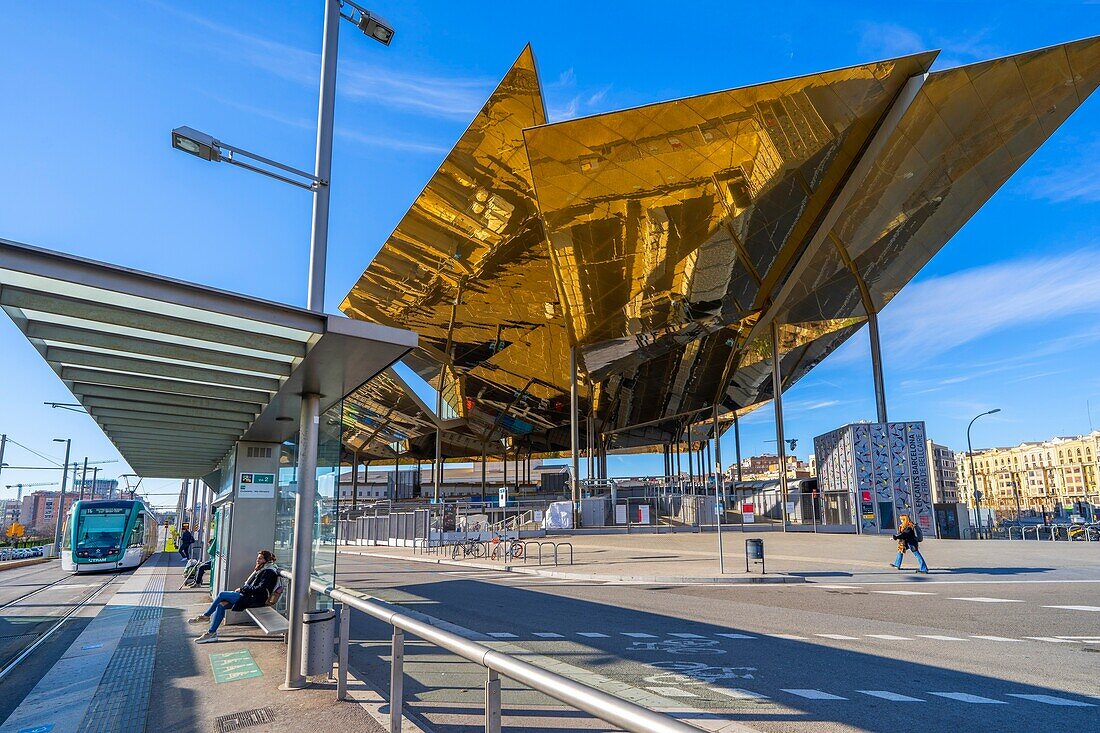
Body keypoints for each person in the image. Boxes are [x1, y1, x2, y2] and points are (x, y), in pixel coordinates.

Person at [188, 550, 278, 643]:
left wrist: (242, 589)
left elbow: (260, 589)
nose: (257, 560)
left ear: (266, 560)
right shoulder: (263, 569)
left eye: (260, 558)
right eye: (257, 558)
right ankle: (211, 633)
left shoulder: (268, 572)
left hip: (255, 599)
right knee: (220, 605)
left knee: (222, 594)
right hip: (250, 596)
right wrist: (243, 590)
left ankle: (205, 616)